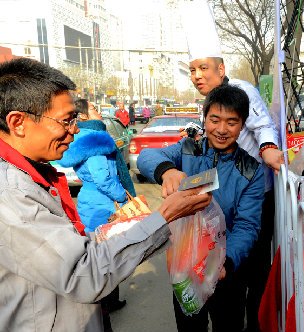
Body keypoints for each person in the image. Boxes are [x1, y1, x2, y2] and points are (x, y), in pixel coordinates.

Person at [0, 57, 212, 332]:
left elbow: (66, 249)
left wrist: (124, 225)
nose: (74, 130)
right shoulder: (10, 194)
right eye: (66, 120)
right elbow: (83, 273)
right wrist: (165, 215)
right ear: (18, 122)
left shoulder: (33, 175)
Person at [182, 3, 283, 330]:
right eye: (192, 70)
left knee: (252, 271)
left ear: (221, 67)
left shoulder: (242, 90)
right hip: (220, 200)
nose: (197, 75)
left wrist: (268, 149)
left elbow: (264, 127)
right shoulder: (210, 103)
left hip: (254, 195)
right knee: (221, 275)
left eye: (203, 68)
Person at [137, 85, 265, 332]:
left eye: (231, 122)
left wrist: (224, 263)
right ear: (204, 118)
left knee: (228, 324)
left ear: (242, 124)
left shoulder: (251, 170)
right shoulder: (188, 149)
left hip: (225, 272)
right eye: (214, 120)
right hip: (184, 265)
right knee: (189, 326)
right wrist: (168, 171)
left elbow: (248, 226)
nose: (221, 129)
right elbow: (146, 157)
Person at [58, 98, 136, 324]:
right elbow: (103, 178)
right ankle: (106, 303)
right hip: (102, 203)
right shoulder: (95, 143)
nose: (99, 112)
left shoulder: (84, 139)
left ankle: (108, 301)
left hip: (93, 201)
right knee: (107, 252)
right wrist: (122, 195)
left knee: (101, 250)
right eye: (93, 109)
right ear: (82, 116)